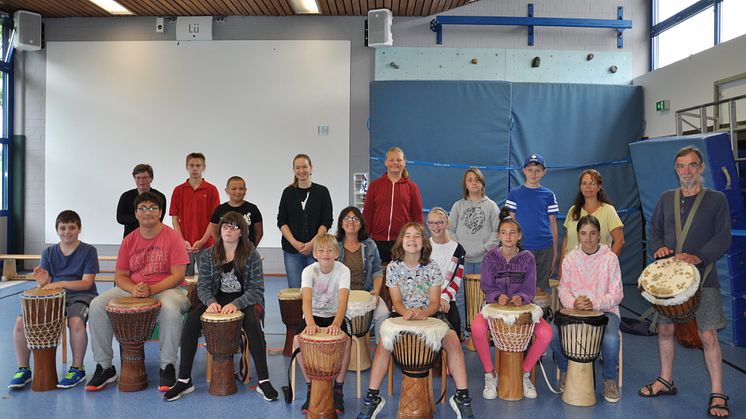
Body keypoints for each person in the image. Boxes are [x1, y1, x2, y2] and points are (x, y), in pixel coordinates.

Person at [638, 146, 731, 418]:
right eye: (681, 166)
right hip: (668, 282)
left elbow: (723, 238)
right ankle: (665, 380)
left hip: (705, 278)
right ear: (676, 169)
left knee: (708, 335)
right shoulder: (667, 198)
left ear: (701, 168)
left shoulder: (716, 200)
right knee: (665, 331)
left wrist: (699, 256)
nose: (686, 171)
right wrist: (659, 249)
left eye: (692, 165)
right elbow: (653, 231)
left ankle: (717, 392)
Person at [357, 222, 475, 419]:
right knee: (383, 344)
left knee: (453, 341)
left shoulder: (432, 266)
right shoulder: (394, 267)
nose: (412, 240)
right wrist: (406, 313)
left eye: (417, 236)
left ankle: (462, 397)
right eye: (408, 236)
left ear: (424, 242)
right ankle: (373, 397)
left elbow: (436, 302)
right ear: (401, 241)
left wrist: (425, 312)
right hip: (401, 315)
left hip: (431, 315)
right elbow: (396, 301)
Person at [164, 211, 278, 402]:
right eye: (225, 226)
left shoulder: (251, 255)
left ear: (242, 232)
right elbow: (203, 286)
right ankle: (184, 380)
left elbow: (256, 290)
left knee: (252, 323)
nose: (229, 230)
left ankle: (264, 380)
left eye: (234, 227)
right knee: (192, 321)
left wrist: (236, 303)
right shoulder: (209, 255)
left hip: (244, 300)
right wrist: (211, 302)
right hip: (217, 299)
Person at [86, 192, 190, 392]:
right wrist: (134, 288)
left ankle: (167, 366)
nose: (147, 212)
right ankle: (105, 367)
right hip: (135, 289)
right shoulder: (129, 240)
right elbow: (121, 275)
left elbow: (178, 275)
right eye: (142, 208)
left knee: (169, 308)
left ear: (160, 212)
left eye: (152, 208)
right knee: (97, 305)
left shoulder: (173, 237)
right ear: (135, 214)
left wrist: (151, 289)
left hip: (169, 288)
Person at [8, 210, 99, 390]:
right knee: (21, 321)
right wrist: (42, 282)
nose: (67, 232)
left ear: (79, 229)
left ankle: (77, 368)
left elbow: (87, 283)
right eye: (63, 228)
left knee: (75, 321)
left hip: (82, 296)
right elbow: (46, 285)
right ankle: (24, 369)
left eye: (72, 227)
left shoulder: (88, 250)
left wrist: (59, 283)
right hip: (55, 297)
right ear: (57, 230)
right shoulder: (49, 252)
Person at [471, 214, 552, 400]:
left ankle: (524, 373)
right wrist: (496, 296)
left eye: (512, 233)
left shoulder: (528, 258)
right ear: (498, 236)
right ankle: (490, 374)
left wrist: (521, 297)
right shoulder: (490, 257)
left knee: (546, 333)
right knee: (476, 328)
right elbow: (487, 285)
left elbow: (529, 288)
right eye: (504, 233)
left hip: (523, 310)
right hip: (493, 308)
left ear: (519, 236)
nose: (508, 236)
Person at [551, 215, 623, 403]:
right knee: (552, 331)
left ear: (599, 235)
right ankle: (565, 371)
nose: (588, 238)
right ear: (578, 235)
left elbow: (617, 294)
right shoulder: (570, 259)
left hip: (606, 312)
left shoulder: (610, 259)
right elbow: (563, 289)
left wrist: (594, 304)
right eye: (583, 233)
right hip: (574, 311)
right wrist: (574, 303)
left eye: (593, 233)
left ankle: (609, 380)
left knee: (611, 338)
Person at [293, 234, 352, 415]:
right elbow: (307, 300)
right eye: (321, 250)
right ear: (315, 254)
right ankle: (311, 387)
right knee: (297, 341)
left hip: (336, 315)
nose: (325, 253)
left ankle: (338, 389)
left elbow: (343, 301)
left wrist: (336, 323)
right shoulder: (309, 271)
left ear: (336, 253)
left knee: (346, 341)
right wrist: (310, 323)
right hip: (314, 315)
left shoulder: (343, 270)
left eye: (329, 250)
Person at [448, 168, 500, 337]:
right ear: (465, 184)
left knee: (483, 295)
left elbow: (497, 232)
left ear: (482, 183)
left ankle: (482, 332)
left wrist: (484, 248)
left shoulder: (491, 206)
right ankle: (462, 329)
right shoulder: (458, 205)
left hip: (484, 259)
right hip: (462, 259)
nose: (473, 183)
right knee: (460, 295)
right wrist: (461, 249)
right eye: (470, 179)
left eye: (477, 179)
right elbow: (450, 230)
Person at [277, 154, 333, 288]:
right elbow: (281, 221)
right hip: (292, 251)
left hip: (316, 250)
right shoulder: (288, 192)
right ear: (294, 170)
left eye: (304, 167)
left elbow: (326, 221)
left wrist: (312, 243)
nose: (301, 171)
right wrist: (294, 242)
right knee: (295, 289)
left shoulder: (322, 192)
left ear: (311, 168)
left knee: (317, 289)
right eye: (297, 167)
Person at [504, 154, 559, 291]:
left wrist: (555, 253)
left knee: (541, 291)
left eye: (538, 170)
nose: (534, 173)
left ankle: (542, 313)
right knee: (519, 289)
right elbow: (510, 223)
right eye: (530, 169)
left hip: (545, 249)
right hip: (522, 247)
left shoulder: (549, 195)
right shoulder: (514, 194)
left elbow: (553, 225)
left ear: (544, 172)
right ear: (523, 171)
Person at [335, 206, 389, 339]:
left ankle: (380, 351)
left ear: (361, 223)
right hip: (340, 296)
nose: (351, 221)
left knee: (383, 313)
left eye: (355, 218)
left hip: (365, 293)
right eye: (347, 218)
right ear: (341, 223)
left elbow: (377, 271)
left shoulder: (370, 245)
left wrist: (376, 292)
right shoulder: (334, 244)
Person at [558, 169, 624, 278]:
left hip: (597, 270)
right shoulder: (573, 210)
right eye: (584, 183)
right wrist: (561, 266)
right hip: (572, 269)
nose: (588, 187)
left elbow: (619, 241)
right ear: (580, 187)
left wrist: (607, 265)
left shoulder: (608, 210)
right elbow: (566, 239)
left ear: (599, 187)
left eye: (592, 183)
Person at [363, 147, 423, 263]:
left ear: (404, 163)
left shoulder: (412, 187)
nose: (395, 163)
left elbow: (417, 217)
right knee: (379, 276)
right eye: (391, 160)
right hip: (377, 241)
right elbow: (367, 214)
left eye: (399, 160)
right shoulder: (375, 186)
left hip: (402, 242)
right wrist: (364, 238)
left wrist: (416, 239)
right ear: (386, 162)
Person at [169, 152, 220, 276]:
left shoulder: (212, 190)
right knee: (184, 282)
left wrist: (203, 240)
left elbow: (214, 220)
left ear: (204, 167)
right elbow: (175, 219)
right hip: (184, 245)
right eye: (191, 165)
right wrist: (181, 240)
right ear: (187, 167)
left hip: (207, 244)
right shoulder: (178, 190)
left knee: (208, 280)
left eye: (198, 165)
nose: (195, 169)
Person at [427, 207, 466, 339]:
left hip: (447, 297)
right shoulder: (423, 247)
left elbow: (456, 279)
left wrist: (444, 297)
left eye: (440, 222)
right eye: (431, 223)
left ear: (447, 223)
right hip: (426, 297)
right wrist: (434, 299)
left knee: (453, 323)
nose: (435, 226)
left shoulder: (458, 249)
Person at [209, 176, 263, 246]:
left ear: (245, 190)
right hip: (225, 252)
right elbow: (214, 231)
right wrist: (221, 247)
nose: (238, 192)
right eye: (234, 189)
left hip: (247, 252)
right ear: (227, 191)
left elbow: (259, 232)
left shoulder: (253, 209)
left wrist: (252, 248)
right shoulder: (219, 210)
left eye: (241, 189)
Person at [116, 164, 167, 238]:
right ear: (134, 178)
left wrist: (137, 216)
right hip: (131, 238)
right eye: (138, 178)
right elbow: (120, 218)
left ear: (151, 178)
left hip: (153, 237)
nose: (141, 181)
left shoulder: (160, 197)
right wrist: (143, 216)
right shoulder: (126, 196)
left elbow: (159, 218)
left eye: (145, 177)